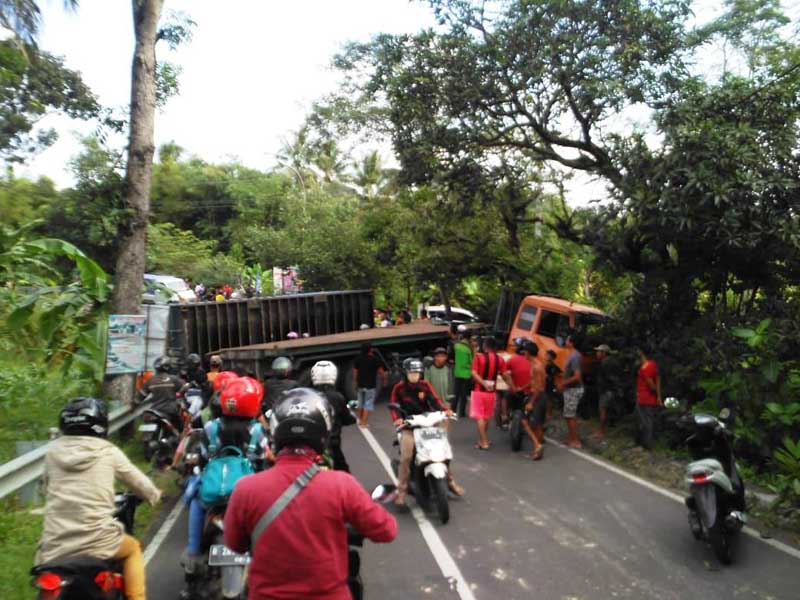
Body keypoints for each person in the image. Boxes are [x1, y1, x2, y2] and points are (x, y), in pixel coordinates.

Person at [224, 389, 397, 599]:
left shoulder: (245, 489)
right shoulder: (341, 485)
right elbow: (387, 530)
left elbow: (235, 544)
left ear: (276, 433)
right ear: (323, 433)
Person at [37, 398, 161, 600]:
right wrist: (154, 495)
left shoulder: (52, 453)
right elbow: (139, 484)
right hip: (98, 541)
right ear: (100, 424)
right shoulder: (107, 451)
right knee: (132, 550)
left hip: (55, 546)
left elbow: (44, 487)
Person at [182, 377, 267, 597]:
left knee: (195, 500)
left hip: (214, 491)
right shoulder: (257, 431)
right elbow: (263, 460)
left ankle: (192, 557)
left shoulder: (210, 428)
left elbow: (201, 458)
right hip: (249, 493)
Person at [389, 359, 463, 506]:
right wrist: (398, 420)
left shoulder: (425, 385)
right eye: (411, 372)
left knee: (443, 451)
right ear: (406, 373)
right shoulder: (399, 388)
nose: (414, 375)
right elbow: (393, 406)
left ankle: (450, 482)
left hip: (427, 422)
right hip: (408, 427)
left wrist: (445, 410)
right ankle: (401, 491)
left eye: (417, 373)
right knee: (406, 457)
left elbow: (435, 400)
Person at [311, 360, 356, 471]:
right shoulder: (337, 397)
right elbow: (347, 418)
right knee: (344, 472)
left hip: (314, 444)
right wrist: (352, 418)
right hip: (333, 444)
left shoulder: (310, 395)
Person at [471, 337, 506, 451]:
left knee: (480, 416)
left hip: (479, 391)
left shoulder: (478, 357)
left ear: (485, 346)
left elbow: (474, 373)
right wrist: (512, 386)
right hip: (491, 393)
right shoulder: (499, 359)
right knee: (486, 417)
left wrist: (483, 383)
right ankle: (481, 440)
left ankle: (484, 442)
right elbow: (505, 374)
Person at [139, 355, 184, 429]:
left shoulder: (150, 381)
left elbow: (140, 397)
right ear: (168, 367)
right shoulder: (173, 379)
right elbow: (184, 387)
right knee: (180, 428)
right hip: (170, 410)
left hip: (154, 410)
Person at [558, 333, 584, 449]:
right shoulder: (573, 355)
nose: (566, 341)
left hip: (574, 389)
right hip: (571, 388)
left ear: (572, 342)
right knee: (568, 415)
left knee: (570, 415)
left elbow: (577, 376)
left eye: (567, 339)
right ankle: (571, 438)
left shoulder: (574, 356)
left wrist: (563, 383)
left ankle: (576, 441)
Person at [353, 342, 386, 428]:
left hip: (360, 385)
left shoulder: (358, 359)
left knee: (360, 403)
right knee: (368, 404)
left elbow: (355, 373)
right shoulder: (375, 359)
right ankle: (364, 423)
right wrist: (384, 380)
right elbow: (381, 372)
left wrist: (356, 383)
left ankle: (360, 421)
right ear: (370, 350)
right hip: (370, 386)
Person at [636, 344, 662, 450]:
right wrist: (659, 396)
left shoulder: (644, 367)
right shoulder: (653, 364)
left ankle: (646, 445)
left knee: (644, 422)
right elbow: (658, 379)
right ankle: (648, 444)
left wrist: (655, 393)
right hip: (650, 399)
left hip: (643, 398)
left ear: (641, 352)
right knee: (648, 421)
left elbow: (651, 384)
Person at [592, 344, 613, 441]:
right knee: (604, 410)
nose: (597, 353)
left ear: (604, 353)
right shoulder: (609, 362)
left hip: (606, 390)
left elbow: (607, 378)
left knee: (602, 410)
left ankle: (601, 432)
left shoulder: (604, 363)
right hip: (608, 390)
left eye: (599, 352)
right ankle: (601, 430)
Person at [452, 329, 473, 417]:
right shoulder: (468, 349)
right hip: (466, 374)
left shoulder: (456, 346)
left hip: (457, 373)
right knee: (464, 395)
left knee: (456, 393)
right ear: (469, 338)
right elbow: (471, 361)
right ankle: (462, 413)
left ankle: (453, 411)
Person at [544, 349, 562, 421]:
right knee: (547, 398)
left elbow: (557, 374)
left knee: (549, 399)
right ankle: (546, 413)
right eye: (546, 354)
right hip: (547, 384)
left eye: (548, 355)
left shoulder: (551, 366)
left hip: (549, 384)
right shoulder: (548, 365)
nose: (546, 356)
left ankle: (548, 414)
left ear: (552, 357)